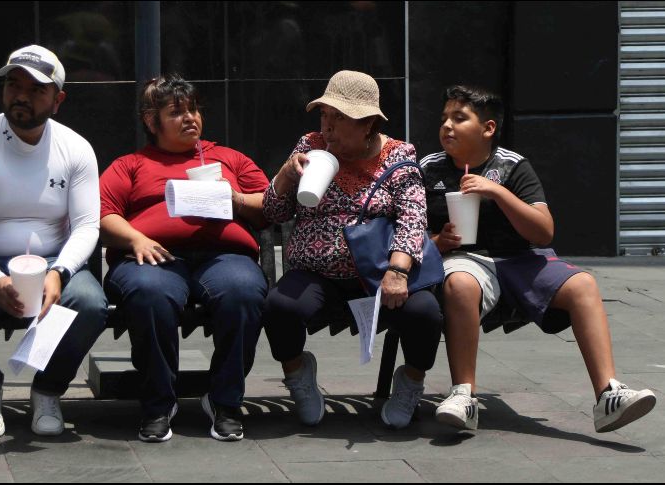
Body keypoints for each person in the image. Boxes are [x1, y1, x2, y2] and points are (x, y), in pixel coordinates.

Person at [421, 84, 657, 432]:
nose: (447, 127)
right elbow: (407, 229)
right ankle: (464, 395)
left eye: (459, 118)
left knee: (583, 284)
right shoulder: (429, 169)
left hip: (521, 258)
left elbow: (543, 232)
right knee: (459, 283)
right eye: (444, 119)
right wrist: (438, 241)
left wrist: (498, 192)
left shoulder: (513, 166)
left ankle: (609, 394)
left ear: (488, 128)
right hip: (464, 258)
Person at [0, 45, 107, 438]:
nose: (21, 95)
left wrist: (60, 273)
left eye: (36, 89)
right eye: (14, 85)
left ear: (58, 99)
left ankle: (48, 390)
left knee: (90, 303)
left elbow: (86, 226)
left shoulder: (76, 148)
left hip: (53, 259)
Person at [263, 70, 443, 429]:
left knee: (425, 313)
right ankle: (298, 372)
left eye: (339, 118)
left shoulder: (399, 157)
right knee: (279, 306)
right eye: (324, 115)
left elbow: (412, 218)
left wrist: (397, 271)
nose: (327, 127)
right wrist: (285, 176)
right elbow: (272, 212)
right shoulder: (309, 146)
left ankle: (410, 381)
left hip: (378, 274)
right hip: (316, 274)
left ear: (368, 124)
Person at [99, 75, 269, 443]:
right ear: (151, 120)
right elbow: (101, 214)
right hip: (154, 254)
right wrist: (135, 238)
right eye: (176, 112)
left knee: (242, 291)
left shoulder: (229, 158)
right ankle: (159, 403)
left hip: (224, 255)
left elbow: (268, 206)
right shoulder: (130, 164)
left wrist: (234, 197)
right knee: (150, 293)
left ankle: (224, 401)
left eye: (193, 109)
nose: (190, 118)